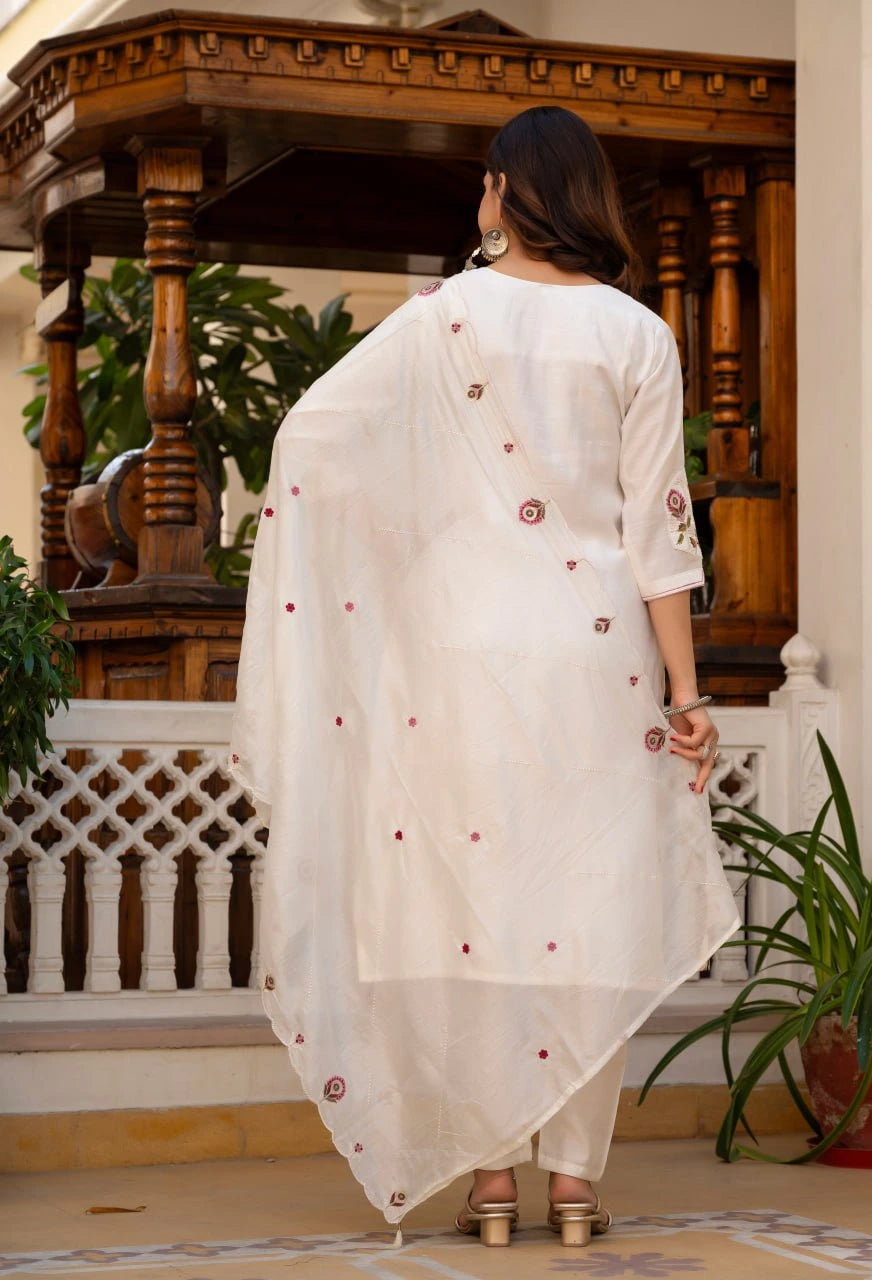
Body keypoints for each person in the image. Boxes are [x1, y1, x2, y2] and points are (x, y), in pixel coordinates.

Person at [228, 105, 740, 1251]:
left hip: (453, 658)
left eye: (481, 186)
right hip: (591, 656)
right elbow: (660, 531)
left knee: (467, 912)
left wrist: (415, 547)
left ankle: (491, 1178)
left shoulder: (437, 323)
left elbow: (308, 444)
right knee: (585, 908)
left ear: (506, 192)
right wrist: (686, 691)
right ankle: (572, 1182)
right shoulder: (633, 333)